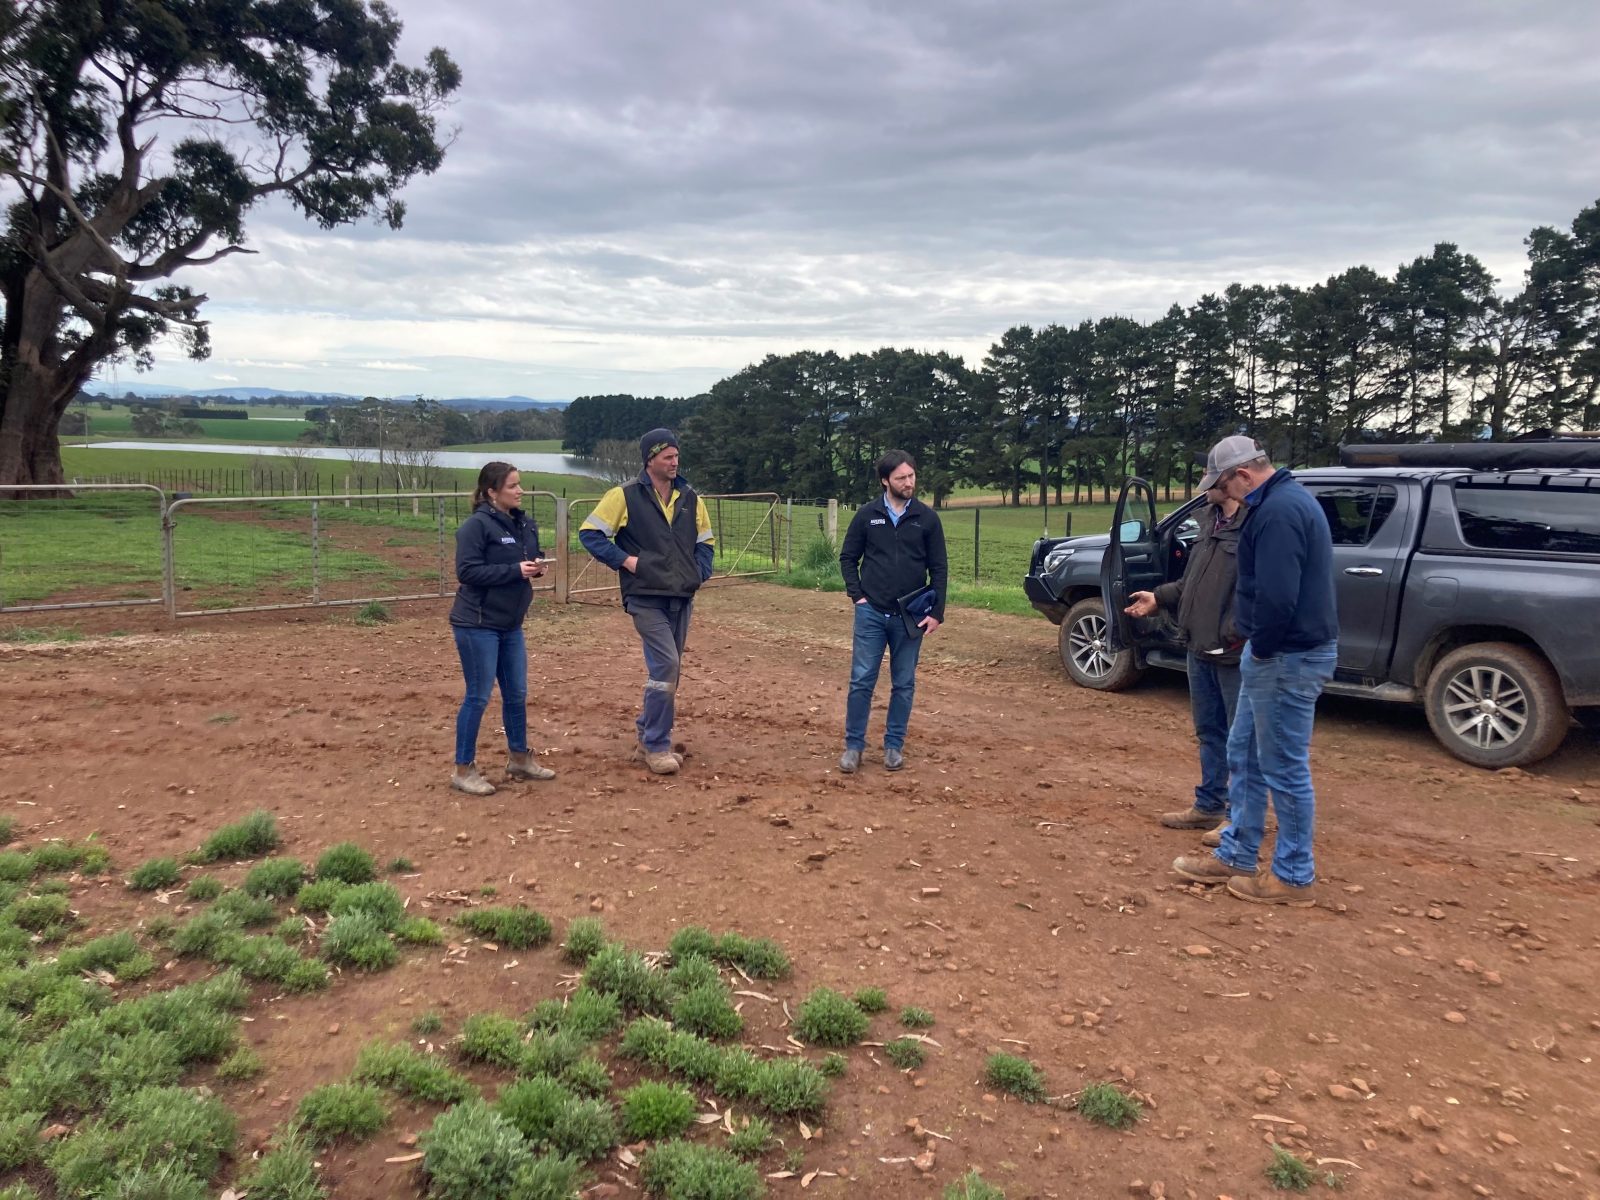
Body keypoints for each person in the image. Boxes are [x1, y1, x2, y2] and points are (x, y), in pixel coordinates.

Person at [1172, 436, 1338, 906]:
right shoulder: (1280, 504)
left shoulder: (1280, 511)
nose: (1224, 492)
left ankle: (1293, 875)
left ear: (1243, 475)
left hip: (1286, 656)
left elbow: (1278, 596)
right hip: (1274, 655)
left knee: (1283, 767)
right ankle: (1237, 854)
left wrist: (1260, 648)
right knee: (1244, 752)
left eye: (1223, 483)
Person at [578, 428, 715, 775]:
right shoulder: (623, 495)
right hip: (645, 596)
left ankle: (645, 734)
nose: (675, 462)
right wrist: (627, 561)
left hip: (681, 595)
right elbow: (590, 534)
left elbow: (706, 541)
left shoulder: (690, 497)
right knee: (666, 665)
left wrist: (698, 572)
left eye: (676, 456)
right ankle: (656, 745)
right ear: (650, 459)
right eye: (668, 456)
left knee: (669, 671)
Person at [1124, 468, 1250, 831]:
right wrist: (1158, 598)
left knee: (1241, 740)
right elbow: (1191, 583)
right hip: (1199, 646)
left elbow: (1259, 593)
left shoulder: (1253, 528)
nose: (1204, 490)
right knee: (1209, 731)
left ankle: (1238, 820)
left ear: (1228, 483)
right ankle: (1209, 804)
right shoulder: (1209, 523)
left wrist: (1235, 632)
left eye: (1211, 483)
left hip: (1233, 653)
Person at [448, 461, 556, 796]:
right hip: (477, 623)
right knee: (478, 696)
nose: (520, 491)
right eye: (513, 486)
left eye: (519, 484)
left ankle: (519, 758)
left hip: (510, 624)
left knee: (517, 694)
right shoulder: (475, 527)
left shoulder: (524, 523)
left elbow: (524, 558)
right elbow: (467, 572)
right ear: (492, 492)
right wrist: (514, 570)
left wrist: (535, 567)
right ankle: (463, 769)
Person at [837, 449, 948, 773]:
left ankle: (893, 747)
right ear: (886, 480)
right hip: (871, 613)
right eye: (901, 478)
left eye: (911, 476)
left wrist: (937, 611)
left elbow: (939, 569)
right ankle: (853, 747)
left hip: (910, 616)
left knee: (904, 683)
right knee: (861, 681)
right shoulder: (867, 515)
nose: (909, 482)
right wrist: (857, 595)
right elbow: (848, 557)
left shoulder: (927, 519)